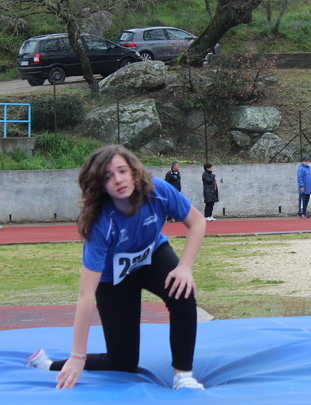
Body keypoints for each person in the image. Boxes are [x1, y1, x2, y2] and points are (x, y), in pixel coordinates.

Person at [24, 145, 207, 391]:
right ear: (100, 186)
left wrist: (185, 267)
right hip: (114, 277)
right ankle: (49, 364)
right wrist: (77, 356)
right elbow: (85, 295)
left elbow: (196, 222)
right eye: (108, 177)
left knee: (183, 291)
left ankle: (182, 375)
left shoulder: (158, 190)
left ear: (133, 171)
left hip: (152, 255)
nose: (118, 180)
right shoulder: (100, 223)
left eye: (122, 171)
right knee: (123, 362)